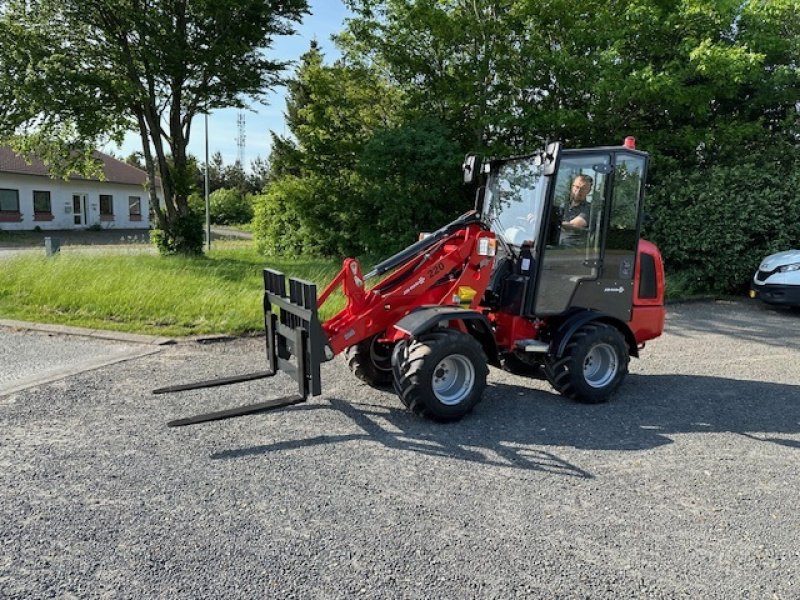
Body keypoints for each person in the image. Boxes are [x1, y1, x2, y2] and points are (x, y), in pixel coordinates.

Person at [559, 174, 593, 246]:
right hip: (556, 244)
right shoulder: (563, 205)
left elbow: (574, 225)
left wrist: (550, 222)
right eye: (577, 187)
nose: (578, 191)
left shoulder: (589, 209)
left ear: (589, 191)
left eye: (583, 188)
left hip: (574, 249)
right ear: (572, 187)